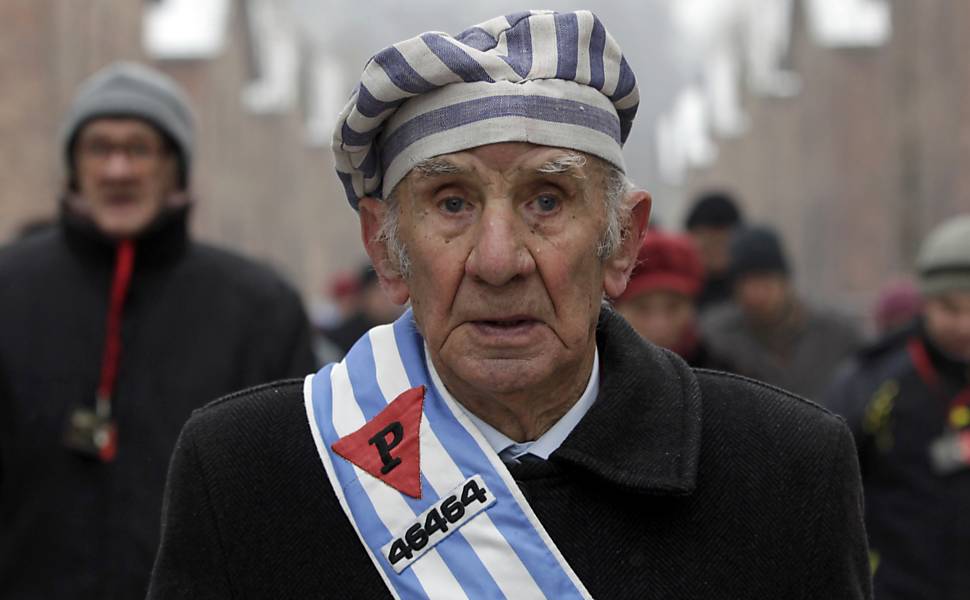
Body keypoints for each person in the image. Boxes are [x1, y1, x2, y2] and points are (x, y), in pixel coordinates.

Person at [148, 11, 870, 599]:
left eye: (547, 199)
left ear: (622, 243)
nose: (499, 260)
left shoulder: (786, 474)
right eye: (451, 202)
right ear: (385, 246)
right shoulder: (248, 475)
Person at [0, 62, 317, 598]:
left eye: (140, 149)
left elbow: (293, 503)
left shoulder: (260, 308)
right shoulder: (8, 290)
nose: (118, 169)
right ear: (74, 168)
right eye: (99, 148)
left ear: (177, 167)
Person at [824, 214, 970, 600]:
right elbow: (828, 484)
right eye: (950, 308)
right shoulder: (874, 381)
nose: (964, 325)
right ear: (925, 303)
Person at [702, 225, 861, 399]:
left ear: (784, 281)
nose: (757, 294)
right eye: (747, 284)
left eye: (766, 281)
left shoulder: (837, 334)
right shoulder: (717, 337)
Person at [613, 230, 732, 370]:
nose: (659, 325)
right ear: (617, 309)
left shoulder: (724, 375)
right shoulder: (592, 379)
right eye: (642, 308)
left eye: (673, 307)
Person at [684, 190, 744, 312]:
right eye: (707, 238)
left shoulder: (748, 291)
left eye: (722, 240)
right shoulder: (681, 289)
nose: (715, 248)